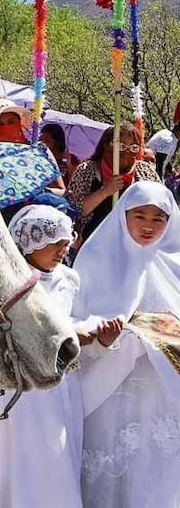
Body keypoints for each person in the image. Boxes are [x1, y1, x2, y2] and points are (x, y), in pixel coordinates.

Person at [0, 205, 105, 508]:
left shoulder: (70, 279)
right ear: (31, 242)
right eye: (55, 241)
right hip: (22, 388)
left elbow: (79, 317)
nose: (64, 248)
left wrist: (91, 331)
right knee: (21, 452)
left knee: (57, 450)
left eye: (66, 240)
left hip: (61, 388)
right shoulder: (9, 284)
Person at [71, 182, 180, 507]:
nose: (148, 226)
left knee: (157, 462)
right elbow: (75, 323)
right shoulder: (95, 259)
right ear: (123, 216)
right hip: (111, 388)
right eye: (139, 215)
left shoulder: (174, 261)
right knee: (114, 458)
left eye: (159, 218)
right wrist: (102, 340)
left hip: (164, 390)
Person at [66, 123, 159, 242]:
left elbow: (160, 206)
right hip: (91, 243)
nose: (127, 152)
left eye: (133, 147)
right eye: (121, 146)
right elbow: (74, 209)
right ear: (106, 146)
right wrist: (105, 191)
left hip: (133, 245)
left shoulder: (146, 172)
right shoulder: (87, 170)